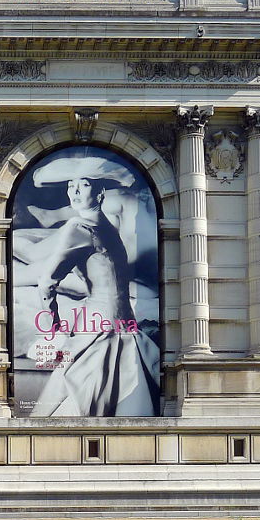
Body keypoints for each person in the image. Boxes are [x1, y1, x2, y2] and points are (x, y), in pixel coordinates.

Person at [26, 169, 158, 417]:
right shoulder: (84, 227)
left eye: (83, 185)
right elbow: (46, 282)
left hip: (115, 329)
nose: (73, 192)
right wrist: (54, 328)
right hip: (101, 331)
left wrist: (55, 328)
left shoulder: (100, 227)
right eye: (70, 185)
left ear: (100, 193)